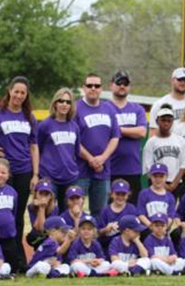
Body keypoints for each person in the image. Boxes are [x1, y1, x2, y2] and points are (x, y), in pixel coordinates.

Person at [0, 76, 40, 253]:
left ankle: (16, 254)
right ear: (9, 91)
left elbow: (34, 146)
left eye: (23, 93)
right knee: (0, 212)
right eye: (16, 91)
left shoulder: (29, 117)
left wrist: (35, 174)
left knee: (18, 214)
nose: (19, 95)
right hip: (1, 172)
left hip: (24, 171)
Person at [75, 73, 121, 216]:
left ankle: (95, 239)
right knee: (75, 211)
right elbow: (74, 139)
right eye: (89, 85)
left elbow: (115, 137)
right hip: (80, 171)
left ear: (102, 88)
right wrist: (90, 159)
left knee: (99, 213)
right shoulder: (75, 108)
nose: (93, 88)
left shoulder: (109, 109)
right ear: (84, 88)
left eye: (97, 86)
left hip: (103, 170)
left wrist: (102, 158)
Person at [109, 70, 148, 206]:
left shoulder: (137, 109)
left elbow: (142, 132)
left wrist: (117, 130)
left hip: (132, 168)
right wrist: (130, 131)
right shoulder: (104, 108)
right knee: (109, 210)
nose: (122, 86)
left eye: (125, 83)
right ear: (111, 85)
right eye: (119, 82)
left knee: (133, 210)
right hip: (109, 169)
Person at [37, 88, 81, 208]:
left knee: (68, 216)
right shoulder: (44, 125)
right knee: (47, 213)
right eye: (61, 101)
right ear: (55, 103)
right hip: (50, 178)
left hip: (70, 177)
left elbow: (76, 152)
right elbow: (37, 150)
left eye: (68, 102)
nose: (64, 104)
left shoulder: (74, 126)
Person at [142, 107, 185, 197]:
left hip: (176, 182)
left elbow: (183, 165)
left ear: (172, 122)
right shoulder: (151, 142)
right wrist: (163, 185)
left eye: (169, 120)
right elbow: (148, 169)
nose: (166, 123)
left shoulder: (180, 140)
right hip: (156, 183)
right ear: (157, 121)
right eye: (163, 120)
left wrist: (174, 184)